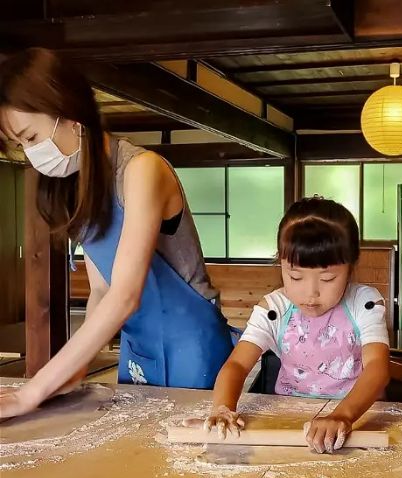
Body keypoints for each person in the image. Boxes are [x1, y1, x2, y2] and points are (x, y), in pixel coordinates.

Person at [0, 48, 235, 418]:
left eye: (31, 137)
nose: (31, 154)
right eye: (21, 146)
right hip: (138, 347)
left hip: (194, 349)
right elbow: (102, 292)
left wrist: (31, 392)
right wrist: (74, 369)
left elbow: (126, 295)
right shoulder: (81, 187)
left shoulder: (143, 170)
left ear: (70, 114)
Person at [205, 197, 390, 454]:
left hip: (356, 418)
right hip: (289, 421)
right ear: (280, 263)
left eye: (327, 278)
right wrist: (223, 407)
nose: (310, 293)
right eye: (295, 276)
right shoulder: (274, 309)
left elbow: (377, 368)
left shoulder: (364, 303)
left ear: (351, 267)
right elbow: (237, 365)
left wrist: (343, 415)